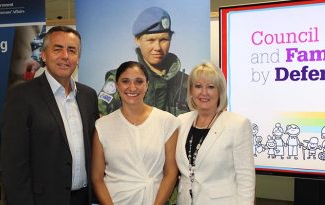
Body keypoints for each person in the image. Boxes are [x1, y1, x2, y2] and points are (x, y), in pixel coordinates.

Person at [0, 26, 99, 205]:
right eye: (57, 49)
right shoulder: (21, 96)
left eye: (72, 50)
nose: (65, 56)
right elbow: (13, 165)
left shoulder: (88, 96)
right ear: (44, 55)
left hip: (84, 198)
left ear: (78, 58)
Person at [92, 61, 179, 205]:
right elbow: (97, 178)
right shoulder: (102, 126)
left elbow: (170, 173)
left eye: (139, 81)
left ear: (147, 85)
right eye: (125, 81)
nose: (132, 87)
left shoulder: (167, 122)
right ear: (117, 85)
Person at [175, 62, 255, 205]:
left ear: (220, 91)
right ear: (191, 91)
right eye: (198, 86)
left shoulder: (237, 124)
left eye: (211, 87)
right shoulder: (181, 121)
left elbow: (246, 178)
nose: (204, 92)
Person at [98, 7, 188, 117]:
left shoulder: (187, 83)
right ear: (137, 40)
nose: (157, 47)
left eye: (164, 40)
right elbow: (101, 123)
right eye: (151, 40)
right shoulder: (119, 80)